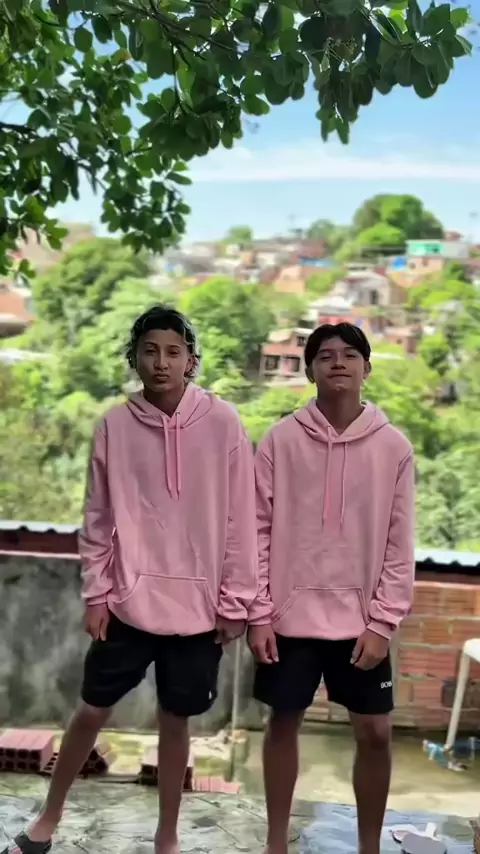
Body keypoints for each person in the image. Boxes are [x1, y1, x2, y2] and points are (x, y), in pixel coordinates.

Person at [5, 306, 258, 854]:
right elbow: (97, 518)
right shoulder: (114, 427)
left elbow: (243, 517)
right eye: (150, 351)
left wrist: (236, 600)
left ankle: (167, 837)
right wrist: (97, 593)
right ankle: (47, 819)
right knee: (90, 710)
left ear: (191, 362)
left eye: (173, 352)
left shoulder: (224, 423)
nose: (161, 362)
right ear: (134, 359)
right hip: (128, 601)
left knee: (176, 722)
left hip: (199, 609)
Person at [248, 323, 415, 854]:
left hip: (361, 624)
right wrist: (259, 612)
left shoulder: (394, 448)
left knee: (376, 732)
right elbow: (254, 529)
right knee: (282, 724)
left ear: (367, 367)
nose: (338, 362)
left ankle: (369, 847)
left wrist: (383, 621)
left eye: (349, 354)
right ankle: (276, 842)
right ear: (310, 370)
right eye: (325, 355)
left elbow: (399, 542)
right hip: (288, 620)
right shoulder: (280, 440)